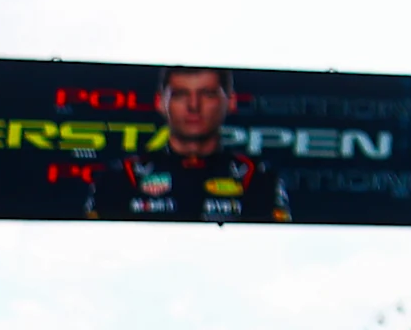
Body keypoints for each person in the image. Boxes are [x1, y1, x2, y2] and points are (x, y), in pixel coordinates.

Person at [90, 67, 287, 224]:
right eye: (180, 94)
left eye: (207, 94)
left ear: (231, 102)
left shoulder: (259, 177)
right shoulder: (121, 176)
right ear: (160, 102)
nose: (193, 106)